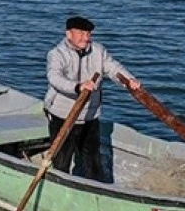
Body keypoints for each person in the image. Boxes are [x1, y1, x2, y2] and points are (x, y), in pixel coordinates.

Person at [44, 16, 141, 182]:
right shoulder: (57, 54)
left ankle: (95, 188)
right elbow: (54, 77)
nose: (85, 37)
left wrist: (129, 80)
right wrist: (78, 86)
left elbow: (113, 68)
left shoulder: (98, 51)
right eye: (81, 33)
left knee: (93, 160)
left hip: (90, 115)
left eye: (88, 33)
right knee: (61, 160)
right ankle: (59, 186)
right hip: (63, 114)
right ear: (69, 34)